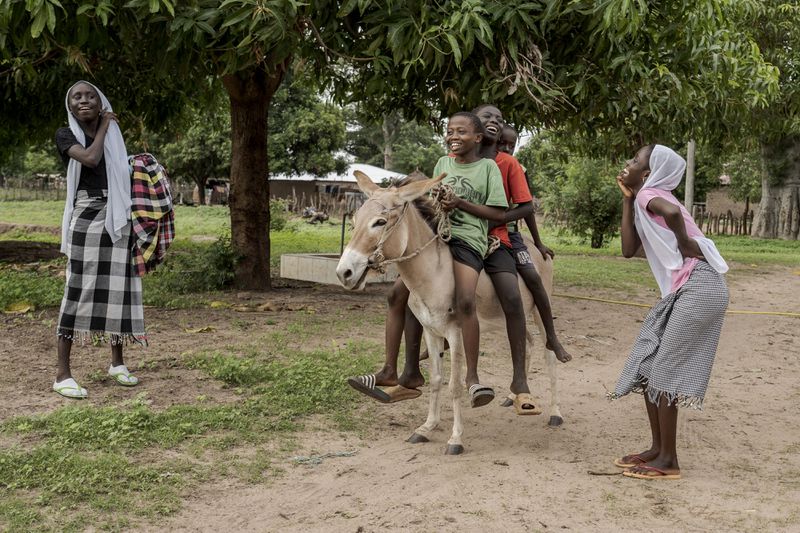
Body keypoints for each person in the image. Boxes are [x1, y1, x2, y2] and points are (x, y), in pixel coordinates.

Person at [610, 144, 729, 480]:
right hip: (691, 287)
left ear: (648, 174)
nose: (628, 163)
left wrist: (683, 244)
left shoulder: (652, 194)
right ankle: (657, 450)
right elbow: (627, 250)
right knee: (649, 366)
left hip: (699, 286)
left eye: (635, 160)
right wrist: (627, 199)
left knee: (663, 370)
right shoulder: (643, 198)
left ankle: (668, 461)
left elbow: (675, 217)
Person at [53, 81, 147, 399]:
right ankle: (62, 373)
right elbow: (90, 159)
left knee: (117, 288)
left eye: (90, 96)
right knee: (78, 287)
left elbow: (121, 172)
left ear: (100, 100)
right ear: (70, 105)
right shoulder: (65, 135)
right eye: (77, 97)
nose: (84, 100)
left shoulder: (115, 141)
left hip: (117, 213)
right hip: (86, 214)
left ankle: (117, 363)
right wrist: (106, 123)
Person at [496, 124, 571, 363]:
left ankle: (551, 336)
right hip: (477, 233)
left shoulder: (517, 167)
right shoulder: (479, 163)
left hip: (510, 235)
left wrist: (537, 242)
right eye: (502, 143)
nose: (507, 148)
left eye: (512, 144)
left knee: (533, 278)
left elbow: (526, 207)